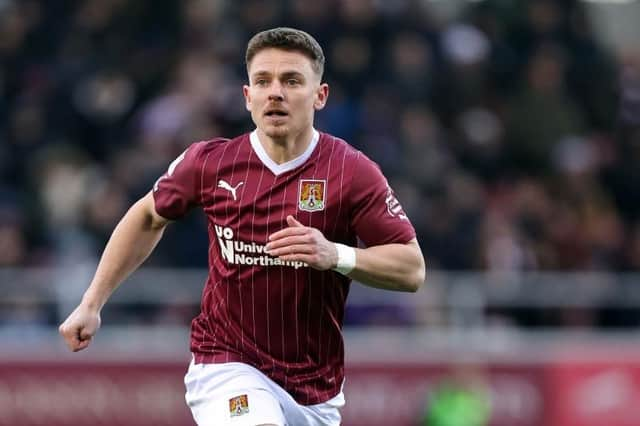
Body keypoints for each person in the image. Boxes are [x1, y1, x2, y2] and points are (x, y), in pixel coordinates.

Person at [59, 27, 426, 426]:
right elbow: (147, 216)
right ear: (247, 96)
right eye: (263, 81)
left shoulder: (352, 172)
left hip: (315, 389)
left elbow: (412, 269)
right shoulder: (210, 163)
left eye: (291, 81)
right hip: (227, 364)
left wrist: (335, 254)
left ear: (320, 96)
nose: (276, 93)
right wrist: (92, 302)